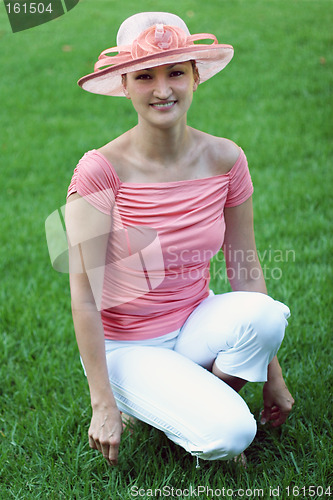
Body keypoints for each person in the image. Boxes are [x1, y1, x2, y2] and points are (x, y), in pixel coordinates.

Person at [65, 12, 295, 468]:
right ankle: (148, 406)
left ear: (195, 76)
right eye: (145, 76)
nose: (163, 89)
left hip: (194, 323)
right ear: (125, 85)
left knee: (268, 315)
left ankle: (184, 401)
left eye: (175, 72)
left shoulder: (226, 158)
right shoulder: (99, 170)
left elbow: (245, 269)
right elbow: (83, 297)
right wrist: (102, 403)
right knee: (233, 433)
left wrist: (274, 375)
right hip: (127, 347)